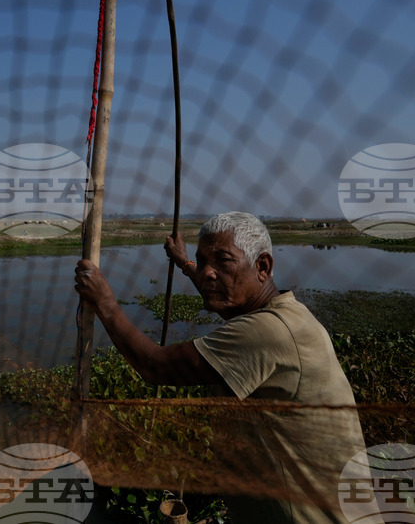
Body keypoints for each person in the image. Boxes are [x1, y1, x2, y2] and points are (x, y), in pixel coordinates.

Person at [74, 211, 367, 524]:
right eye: (203, 262)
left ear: (263, 267)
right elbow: (217, 286)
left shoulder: (269, 331)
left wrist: (105, 302)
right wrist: (185, 263)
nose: (208, 274)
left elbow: (155, 366)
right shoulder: (286, 311)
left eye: (223, 261)